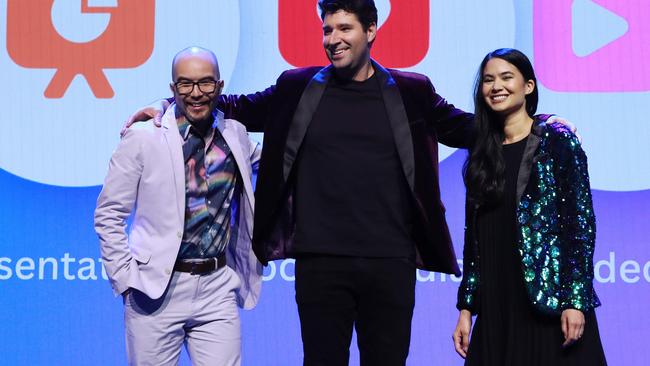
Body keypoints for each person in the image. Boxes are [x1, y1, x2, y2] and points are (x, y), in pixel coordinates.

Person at [124, 2, 573, 365]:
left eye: (344, 28)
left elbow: (469, 129)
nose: (332, 39)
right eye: (326, 30)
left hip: (390, 260)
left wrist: (540, 125)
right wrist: (167, 103)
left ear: (371, 30)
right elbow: (236, 105)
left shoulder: (410, 91)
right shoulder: (299, 86)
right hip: (321, 262)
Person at [94, 47, 262, 366]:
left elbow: (276, 163)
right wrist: (125, 278)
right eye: (185, 84)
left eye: (205, 83)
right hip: (154, 291)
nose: (196, 93)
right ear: (173, 89)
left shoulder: (236, 135)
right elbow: (108, 214)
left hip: (217, 288)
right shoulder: (143, 138)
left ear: (220, 86)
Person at [452, 48, 607, 365]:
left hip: (546, 298)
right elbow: (474, 239)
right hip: (496, 299)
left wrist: (575, 299)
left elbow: (579, 226)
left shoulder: (556, 140)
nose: (497, 86)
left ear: (529, 86)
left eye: (507, 77)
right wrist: (467, 308)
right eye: (488, 80)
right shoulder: (483, 151)